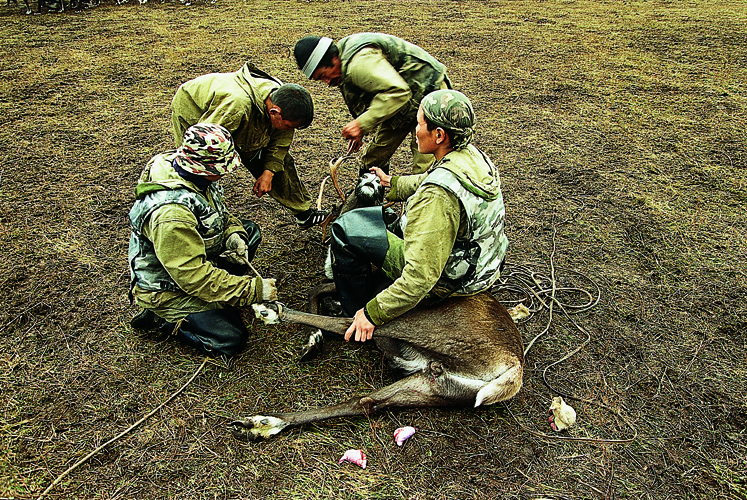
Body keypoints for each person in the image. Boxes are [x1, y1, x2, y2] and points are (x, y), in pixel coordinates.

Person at [329, 90, 509, 343]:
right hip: (482, 269)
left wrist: (373, 314)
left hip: (450, 283)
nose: (415, 130)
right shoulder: (472, 158)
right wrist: (393, 183)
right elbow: (434, 177)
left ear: (438, 135)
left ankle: (352, 313)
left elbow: (421, 277)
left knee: (348, 227)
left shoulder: (436, 197)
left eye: (420, 123)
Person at [128, 123, 278, 357]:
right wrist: (251, 290)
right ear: (204, 168)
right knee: (229, 339)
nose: (227, 172)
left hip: (191, 255)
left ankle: (220, 294)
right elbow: (192, 276)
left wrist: (233, 234)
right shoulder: (172, 215)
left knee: (249, 233)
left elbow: (218, 213)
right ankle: (161, 319)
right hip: (169, 287)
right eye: (222, 167)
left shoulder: (189, 172)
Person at [171, 61, 330, 229]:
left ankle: (303, 214)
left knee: (280, 162)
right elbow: (207, 143)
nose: (290, 130)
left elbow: (280, 143)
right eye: (289, 126)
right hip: (196, 113)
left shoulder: (280, 99)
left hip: (243, 114)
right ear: (274, 112)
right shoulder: (236, 107)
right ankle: (192, 217)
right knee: (203, 168)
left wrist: (268, 173)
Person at [293, 33, 451, 176]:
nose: (327, 83)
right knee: (373, 158)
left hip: (428, 93)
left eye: (323, 76)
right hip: (401, 103)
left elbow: (398, 92)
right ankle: (370, 203)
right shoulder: (342, 62)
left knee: (424, 165)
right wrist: (361, 128)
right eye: (319, 80)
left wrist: (361, 124)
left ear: (333, 59)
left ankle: (425, 203)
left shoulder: (358, 64)